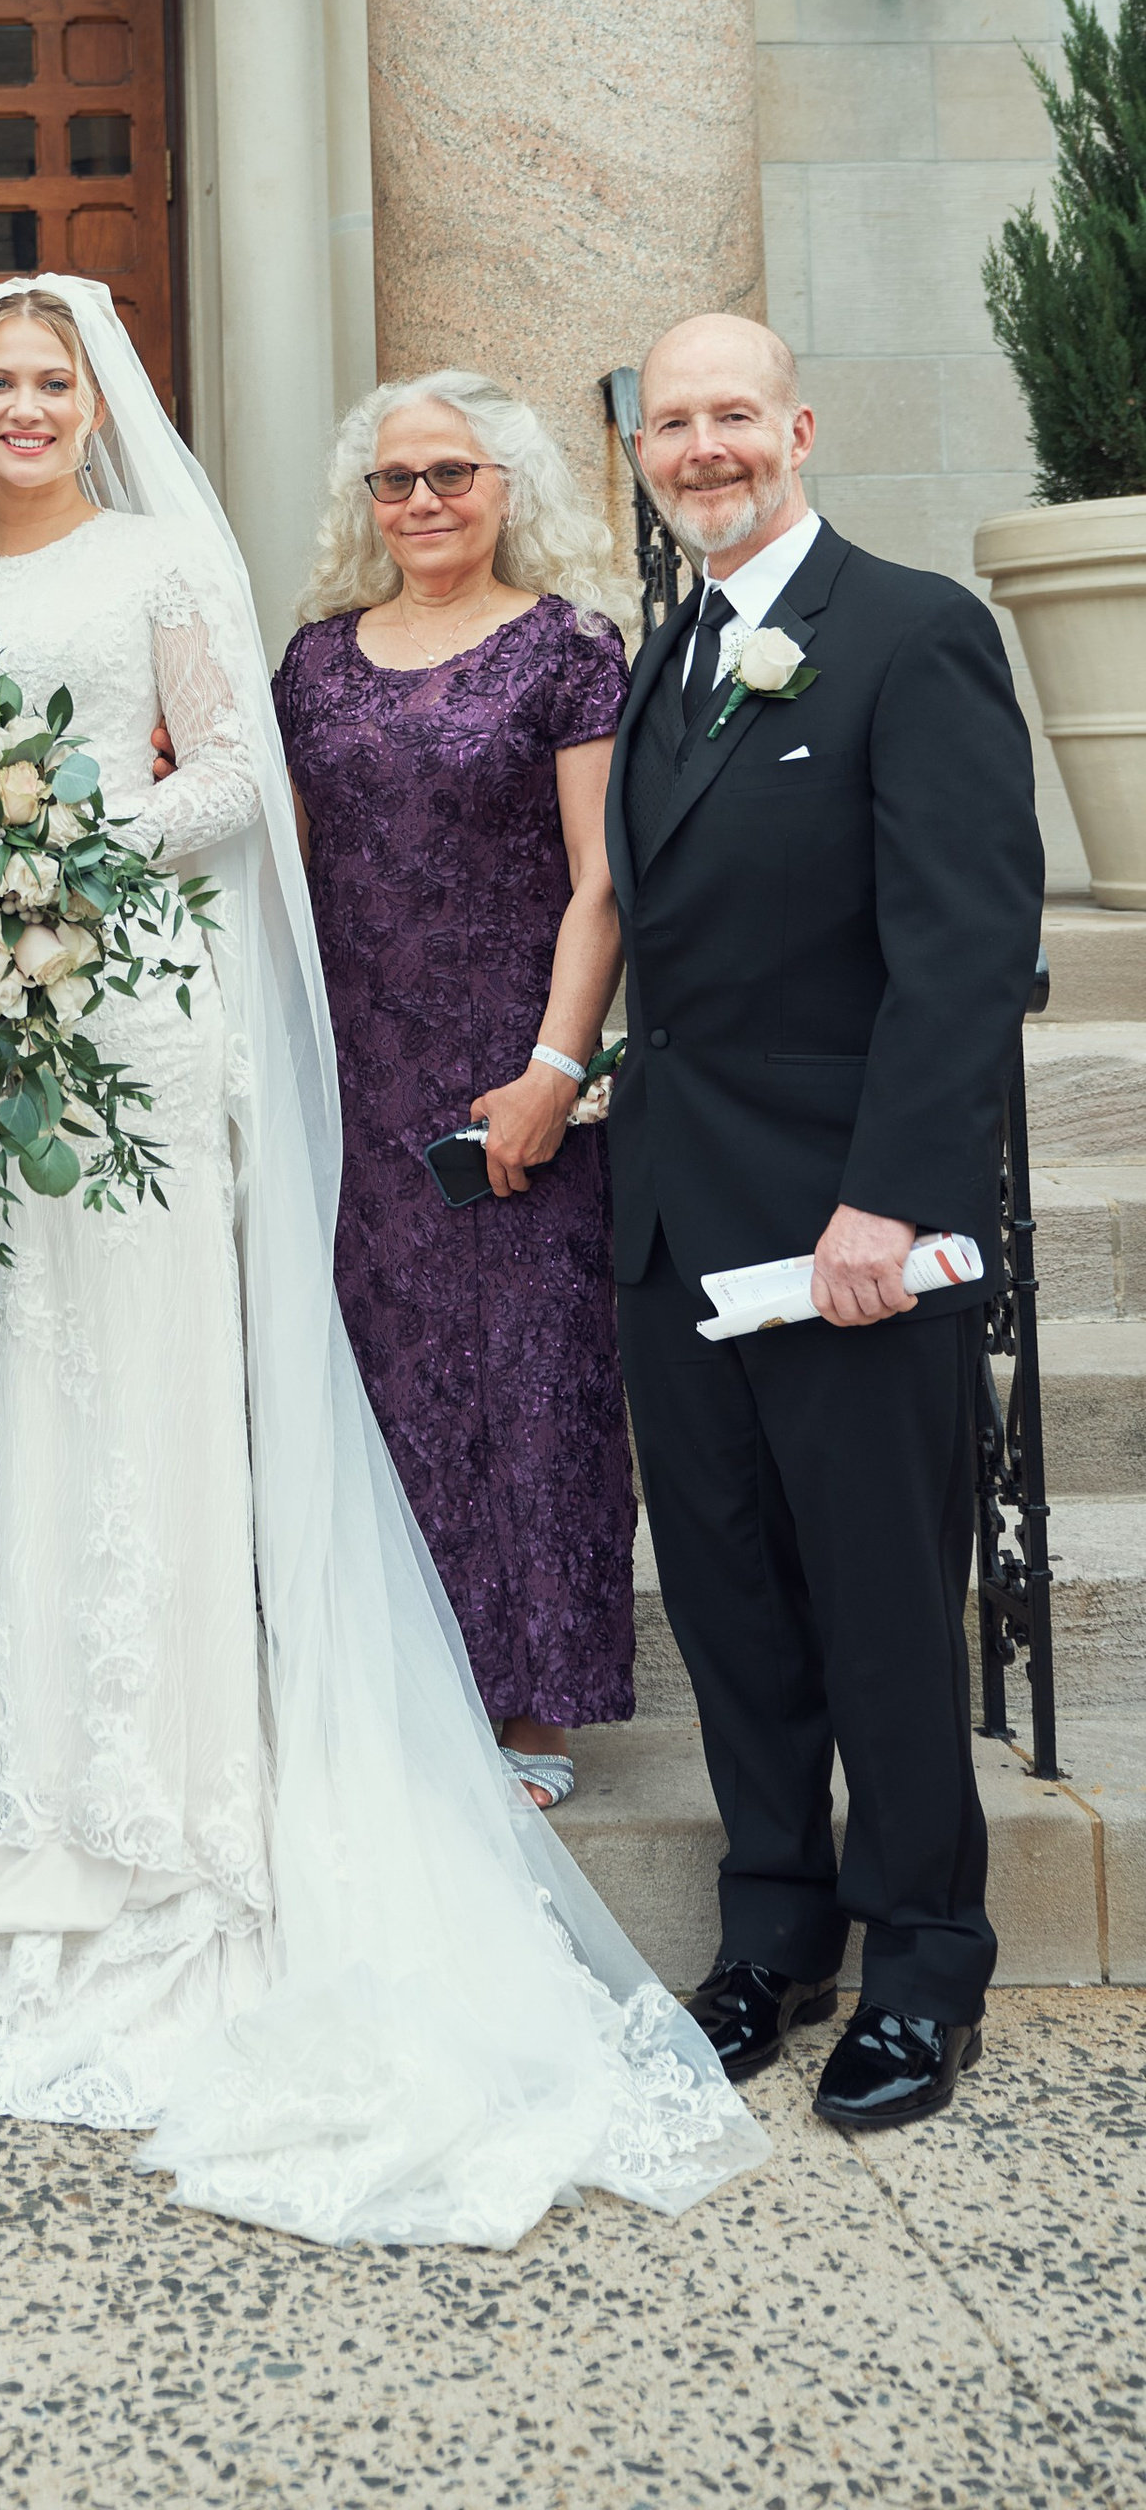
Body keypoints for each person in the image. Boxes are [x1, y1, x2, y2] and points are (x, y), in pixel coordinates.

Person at [0, 279, 763, 2247]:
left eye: (56, 377)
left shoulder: (221, 583)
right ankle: (36, 1705)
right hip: (50, 1025)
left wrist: (49, 853)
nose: (25, 405)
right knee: (62, 1363)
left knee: (321, 1377)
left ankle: (351, 1719)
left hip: (231, 1019)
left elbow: (233, 788)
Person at [610, 314, 1043, 2131]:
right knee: (733, 1609)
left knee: (881, 1608)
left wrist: (894, 1199)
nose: (703, 447)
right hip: (677, 1222)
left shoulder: (914, 631)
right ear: (644, 452)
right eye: (673, 423)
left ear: (798, 429)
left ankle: (925, 1962)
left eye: (735, 415)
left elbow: (965, 950)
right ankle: (772, 1937)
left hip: (845, 1227)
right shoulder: (671, 647)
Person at [272, 373, 634, 1814]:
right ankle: (396, 1683)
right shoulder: (313, 661)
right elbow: (284, 868)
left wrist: (557, 1069)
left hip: (507, 1072)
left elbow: (602, 882)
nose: (421, 501)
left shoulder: (570, 650)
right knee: (384, 1378)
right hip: (355, 1078)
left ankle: (532, 1703)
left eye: (451, 474)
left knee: (530, 1379)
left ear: (508, 487)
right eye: (395, 479)